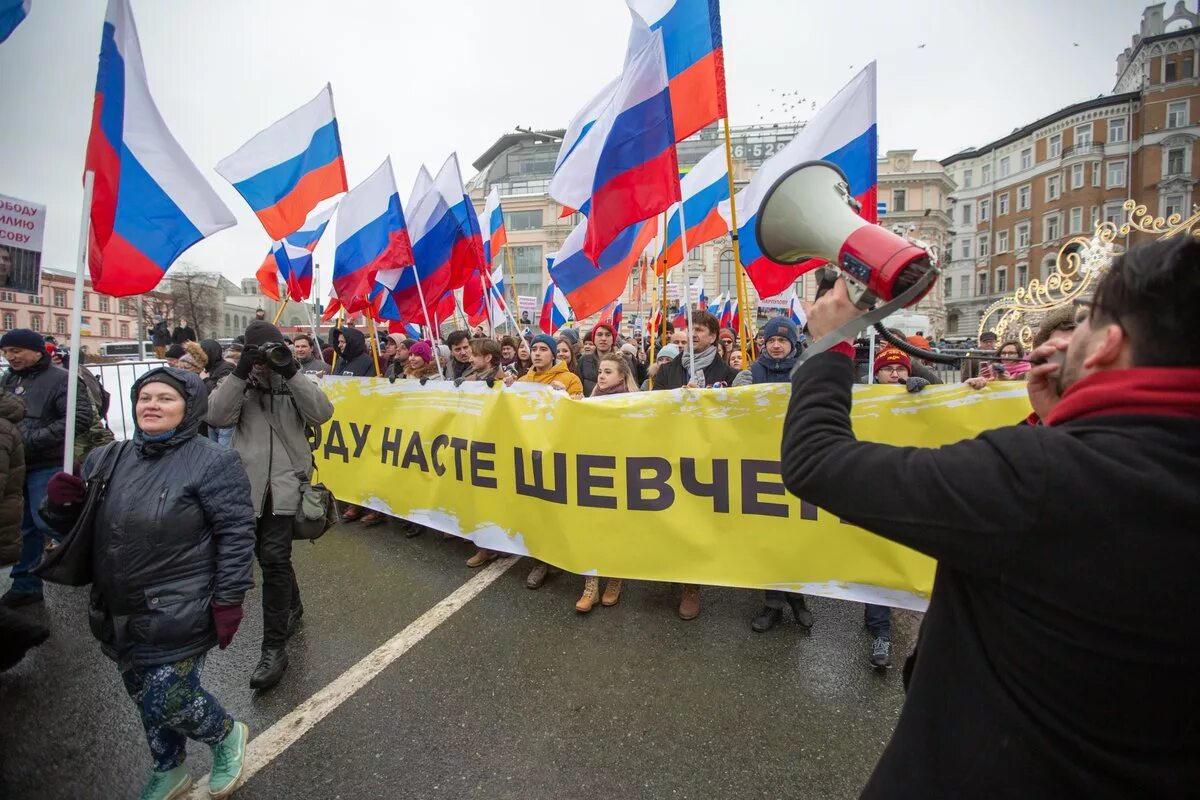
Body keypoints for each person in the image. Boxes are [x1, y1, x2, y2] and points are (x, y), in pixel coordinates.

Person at [780, 236, 1200, 796]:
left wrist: (830, 344)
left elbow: (818, 461)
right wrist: (1063, 427)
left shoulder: (1038, 477)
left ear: (1107, 347)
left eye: (1087, 321)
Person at [43, 368, 254, 799]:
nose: (152, 406)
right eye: (145, 398)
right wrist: (60, 506)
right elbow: (77, 528)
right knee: (143, 697)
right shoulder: (107, 458)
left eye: (166, 399)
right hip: (118, 606)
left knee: (169, 697)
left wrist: (230, 600)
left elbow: (236, 534)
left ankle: (226, 735)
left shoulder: (214, 462)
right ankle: (168, 769)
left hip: (180, 606)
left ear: (188, 407)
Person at [207, 321, 334, 691]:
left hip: (286, 485)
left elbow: (322, 413)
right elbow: (216, 416)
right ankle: (292, 605)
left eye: (271, 351)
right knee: (266, 556)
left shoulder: (294, 380)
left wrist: (290, 371)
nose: (266, 360)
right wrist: (241, 373)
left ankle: (273, 648)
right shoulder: (237, 380)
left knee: (275, 558)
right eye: (258, 353)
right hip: (245, 486)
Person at [731, 317, 816, 634]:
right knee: (769, 536)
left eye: (782, 340)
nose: (776, 345)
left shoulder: (808, 373)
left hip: (798, 461)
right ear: (762, 345)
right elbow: (733, 411)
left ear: (793, 344)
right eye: (770, 341)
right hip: (760, 463)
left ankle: (798, 598)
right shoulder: (748, 375)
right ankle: (772, 603)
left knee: (797, 535)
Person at [652, 311, 737, 620]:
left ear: (714, 336)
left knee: (696, 520)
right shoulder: (669, 370)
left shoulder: (725, 371)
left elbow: (733, 416)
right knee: (671, 515)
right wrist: (676, 398)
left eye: (700, 330)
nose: (693, 334)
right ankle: (669, 568)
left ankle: (692, 585)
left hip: (705, 455)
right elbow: (653, 407)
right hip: (671, 452)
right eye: (689, 329)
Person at [0, 329, 93, 607]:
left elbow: (79, 418)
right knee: (23, 527)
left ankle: (98, 566)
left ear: (37, 350)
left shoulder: (63, 380)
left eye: (16, 350)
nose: (10, 356)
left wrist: (29, 440)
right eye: (6, 352)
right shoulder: (8, 379)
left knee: (50, 520)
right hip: (19, 465)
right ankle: (25, 584)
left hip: (48, 464)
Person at [506, 334, 583, 589]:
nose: (537, 353)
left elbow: (581, 414)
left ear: (553, 354)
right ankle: (540, 561)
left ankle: (562, 554)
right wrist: (507, 389)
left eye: (543, 349)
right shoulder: (523, 380)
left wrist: (567, 399)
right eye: (533, 349)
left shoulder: (569, 379)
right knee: (535, 507)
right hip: (530, 452)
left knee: (558, 506)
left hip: (559, 452)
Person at [574, 353, 640, 612]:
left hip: (622, 475)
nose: (601, 376)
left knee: (615, 529)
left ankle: (615, 579)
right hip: (593, 472)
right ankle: (591, 585)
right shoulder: (589, 401)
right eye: (600, 371)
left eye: (608, 372)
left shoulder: (634, 403)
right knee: (592, 528)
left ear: (622, 376)